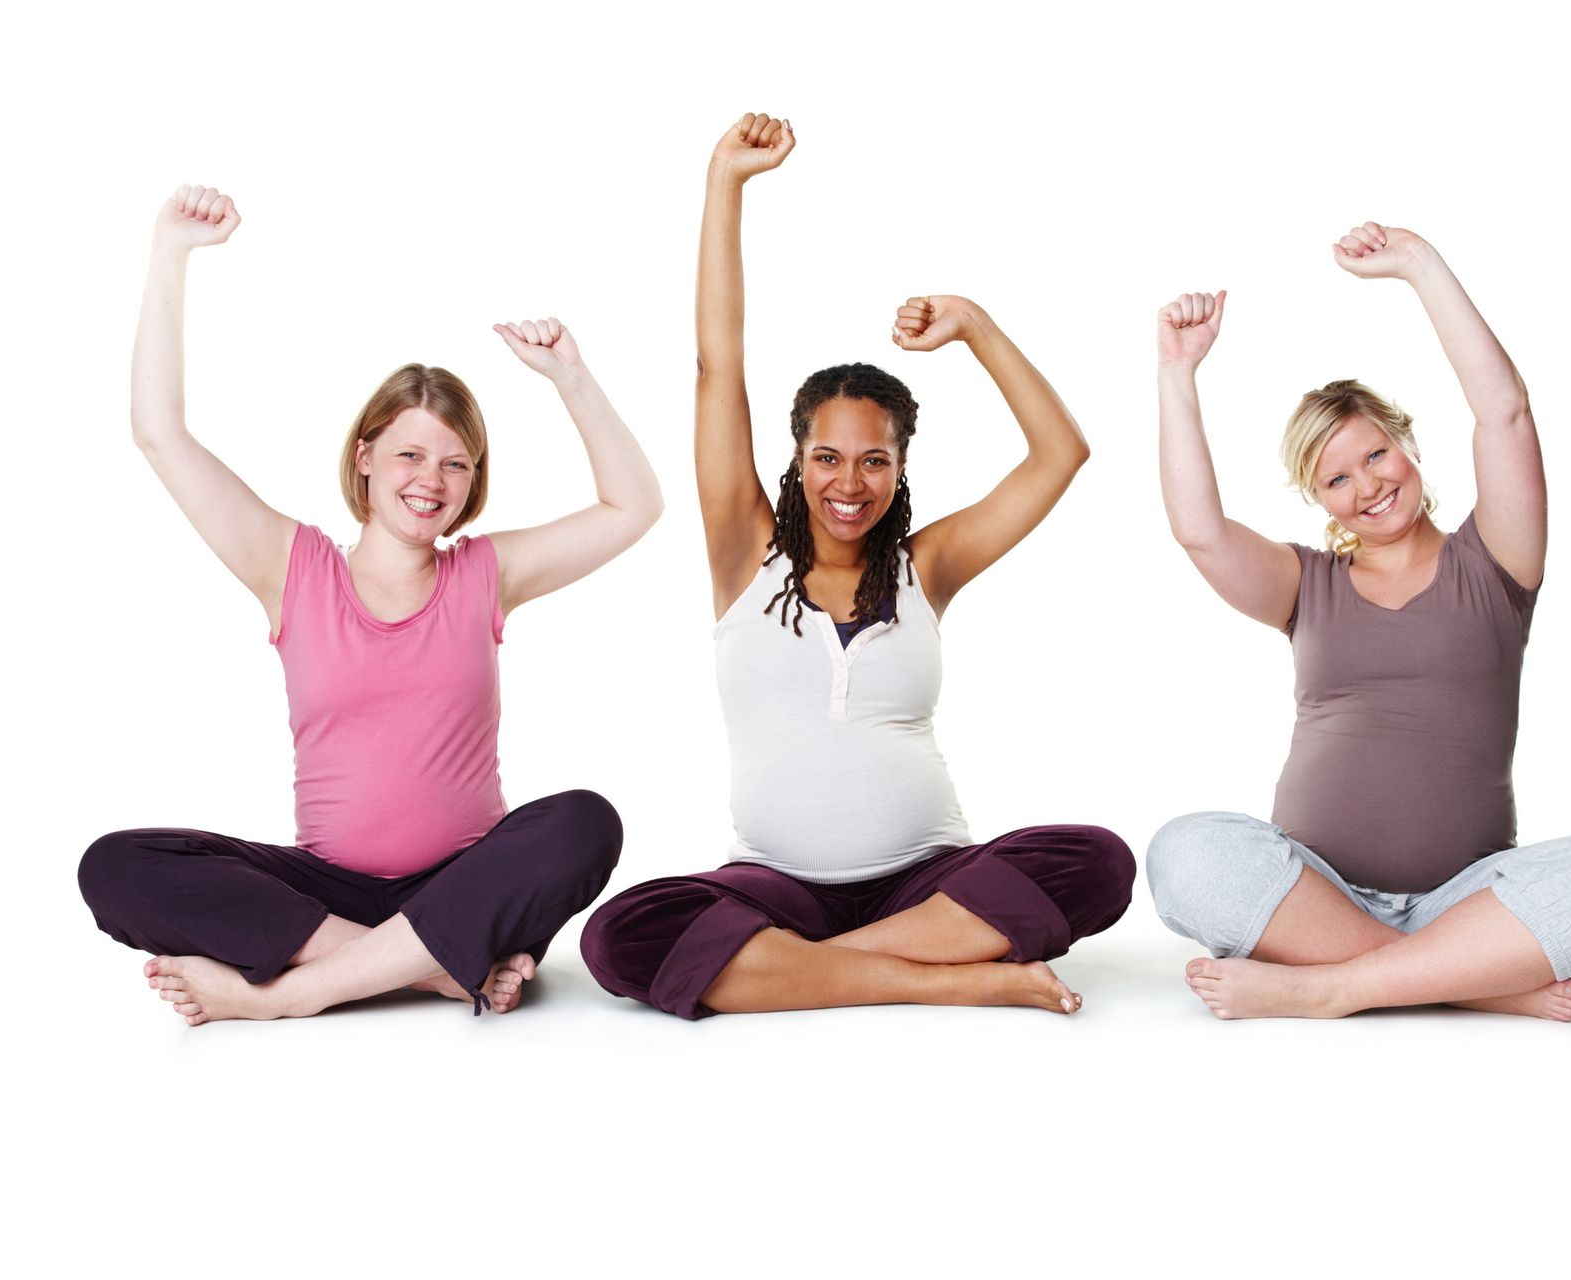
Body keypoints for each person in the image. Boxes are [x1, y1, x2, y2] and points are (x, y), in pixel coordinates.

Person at [579, 114, 1133, 1020]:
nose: (849, 481)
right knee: (621, 933)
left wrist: (978, 327)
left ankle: (804, 971)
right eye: (828, 457)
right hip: (776, 887)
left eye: (874, 459)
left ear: (901, 467)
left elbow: (1059, 456)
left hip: (931, 884)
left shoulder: (930, 566)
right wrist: (724, 184)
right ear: (796, 461)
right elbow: (718, 364)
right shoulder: (742, 548)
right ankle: (958, 980)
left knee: (1096, 861)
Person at [78, 185, 663, 1024]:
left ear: (473, 483)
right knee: (115, 866)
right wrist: (170, 254)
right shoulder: (290, 567)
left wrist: (571, 377)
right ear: (365, 458)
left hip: (468, 879)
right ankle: (424, 968)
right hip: (326, 888)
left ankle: (289, 995)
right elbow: (159, 432)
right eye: (410, 454)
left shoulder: (483, 575)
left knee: (585, 823)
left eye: (456, 464)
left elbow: (632, 509)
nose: (431, 480)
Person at [1147, 222, 1571, 1021]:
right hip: (1311, 888)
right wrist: (1177, 372)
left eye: (1377, 455)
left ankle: (1333, 988)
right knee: (1184, 852)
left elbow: (1506, 415)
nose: (1368, 486)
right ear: (1320, 501)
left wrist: (1421, 267)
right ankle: (1475, 986)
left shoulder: (1495, 561)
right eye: (1337, 478)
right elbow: (1199, 531)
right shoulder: (1304, 583)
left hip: (1469, 901)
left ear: (1409, 445)